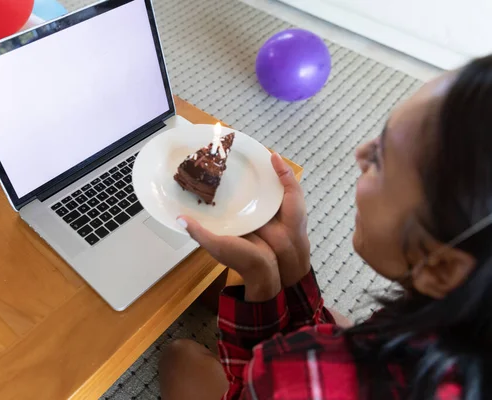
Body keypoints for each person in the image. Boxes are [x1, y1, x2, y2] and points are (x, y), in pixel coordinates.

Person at [158, 54, 492, 400]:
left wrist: (261, 279)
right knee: (335, 320)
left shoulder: (311, 383)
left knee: (179, 357)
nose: (360, 153)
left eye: (380, 159)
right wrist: (293, 256)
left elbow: (257, 385)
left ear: (440, 268)